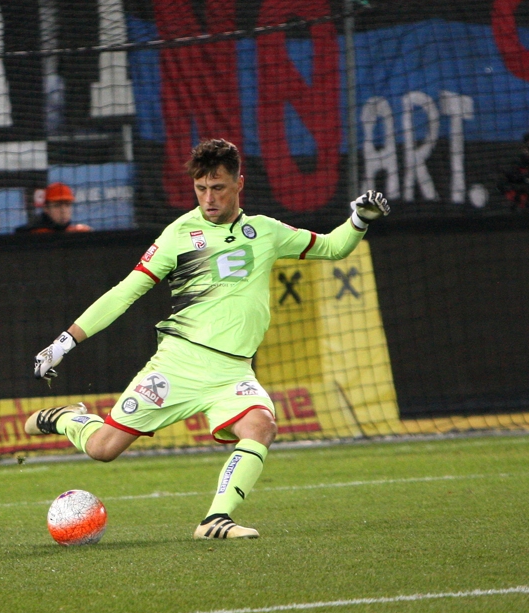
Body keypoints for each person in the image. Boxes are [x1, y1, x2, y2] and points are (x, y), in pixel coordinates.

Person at [24, 138, 390, 540]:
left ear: (239, 185)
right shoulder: (179, 233)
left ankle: (215, 519)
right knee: (103, 449)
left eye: (217, 188)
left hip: (233, 371)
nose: (208, 198)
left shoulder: (265, 231)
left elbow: (334, 248)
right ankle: (68, 419)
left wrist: (359, 220)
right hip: (179, 364)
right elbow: (126, 292)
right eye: (201, 188)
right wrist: (65, 341)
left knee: (261, 424)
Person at [15, 182, 92, 233]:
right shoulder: (33, 233)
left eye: (67, 205)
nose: (63, 210)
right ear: (46, 208)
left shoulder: (80, 233)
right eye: (57, 206)